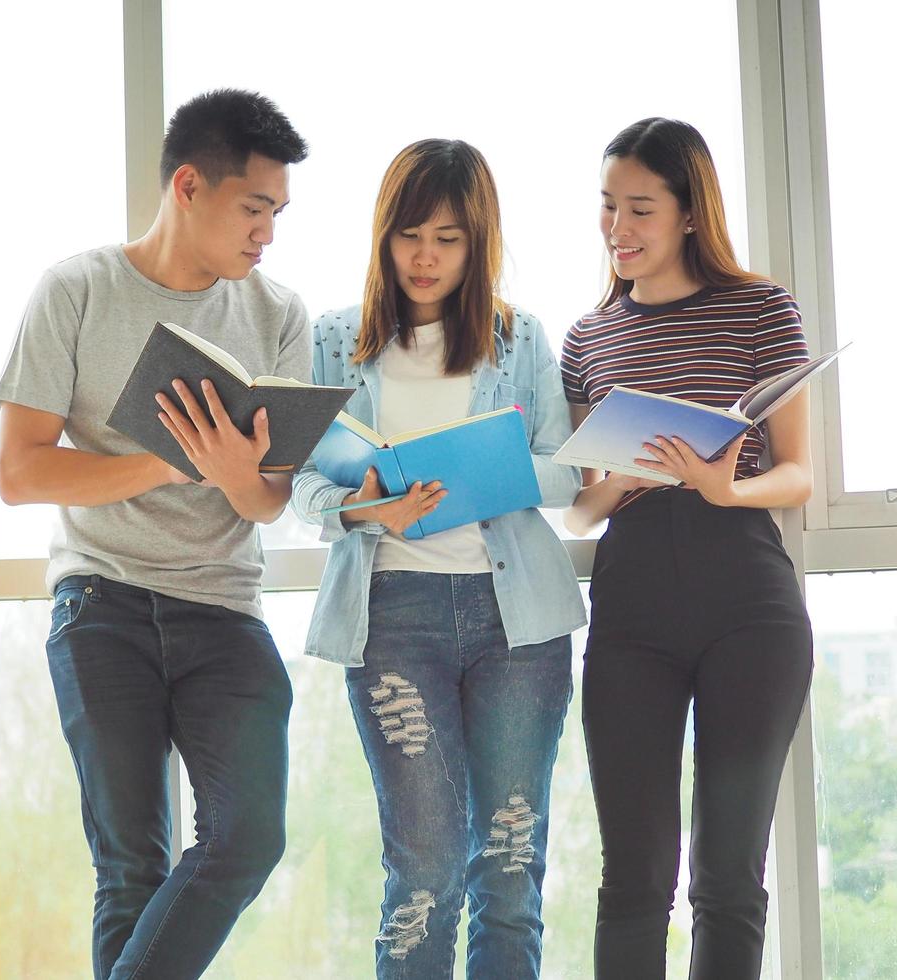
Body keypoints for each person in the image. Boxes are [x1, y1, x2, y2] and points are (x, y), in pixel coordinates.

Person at [0, 88, 308, 980]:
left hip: (223, 609)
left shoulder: (277, 314)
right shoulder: (77, 290)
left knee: (248, 837)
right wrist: (168, 464)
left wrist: (237, 473)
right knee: (129, 868)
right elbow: (20, 472)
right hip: (101, 602)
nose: (267, 234)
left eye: (278, 214)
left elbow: (267, 503)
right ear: (189, 187)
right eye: (255, 209)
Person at [290, 138, 585, 979]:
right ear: (384, 236)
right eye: (410, 234)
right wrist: (361, 504)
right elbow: (301, 480)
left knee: (509, 862)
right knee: (421, 872)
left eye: (449, 238)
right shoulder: (335, 339)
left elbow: (565, 466)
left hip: (516, 621)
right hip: (393, 618)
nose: (425, 256)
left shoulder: (517, 336)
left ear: (478, 242)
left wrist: (482, 475)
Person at [561, 117, 815, 980]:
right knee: (633, 876)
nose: (617, 230)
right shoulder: (587, 340)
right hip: (631, 608)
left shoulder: (760, 308)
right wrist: (613, 487)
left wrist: (726, 487)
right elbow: (581, 508)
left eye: (639, 209)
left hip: (747, 599)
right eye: (607, 208)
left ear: (689, 214)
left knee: (727, 876)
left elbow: (799, 473)